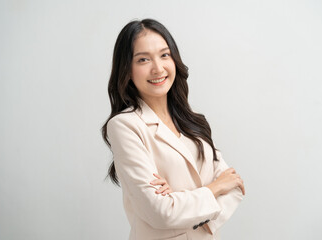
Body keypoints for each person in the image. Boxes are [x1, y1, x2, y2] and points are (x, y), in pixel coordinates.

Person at [101, 18, 245, 240]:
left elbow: (234, 186)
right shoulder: (125, 125)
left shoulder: (192, 122)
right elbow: (160, 213)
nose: (158, 68)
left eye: (164, 55)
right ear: (127, 70)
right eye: (143, 59)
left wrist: (178, 200)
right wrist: (214, 188)